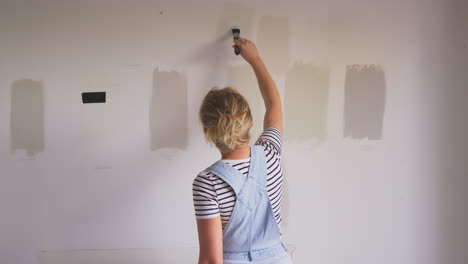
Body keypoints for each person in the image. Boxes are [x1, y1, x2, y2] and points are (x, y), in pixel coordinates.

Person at [192, 37, 292, 264]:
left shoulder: (207, 183)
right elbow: (273, 104)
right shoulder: (270, 153)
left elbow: (211, 259)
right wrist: (255, 59)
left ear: (207, 130)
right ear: (251, 121)